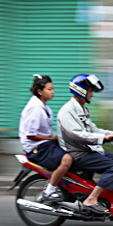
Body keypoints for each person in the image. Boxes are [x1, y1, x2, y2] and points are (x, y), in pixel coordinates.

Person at [57, 74, 113, 214]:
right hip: (79, 153)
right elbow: (77, 135)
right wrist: (104, 138)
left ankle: (110, 197)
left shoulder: (81, 109)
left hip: (89, 149)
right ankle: (91, 199)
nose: (92, 95)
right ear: (81, 90)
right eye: (90, 91)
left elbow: (93, 129)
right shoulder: (68, 110)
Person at [19, 74, 73, 203]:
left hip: (44, 144)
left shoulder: (44, 107)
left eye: (53, 89)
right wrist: (52, 139)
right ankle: (49, 192)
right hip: (36, 148)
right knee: (67, 159)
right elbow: (30, 135)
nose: (53, 92)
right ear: (40, 91)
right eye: (49, 89)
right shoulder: (36, 108)